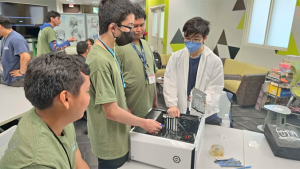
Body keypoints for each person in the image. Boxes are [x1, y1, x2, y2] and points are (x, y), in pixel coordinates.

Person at [86, 0, 162, 168]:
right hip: (110, 142)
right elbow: (111, 111)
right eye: (129, 26)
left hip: (121, 134)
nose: (133, 31)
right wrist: (143, 123)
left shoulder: (109, 51)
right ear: (113, 28)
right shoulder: (99, 60)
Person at [0, 51, 90, 169]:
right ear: (66, 98)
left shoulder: (57, 118)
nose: (89, 97)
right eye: (87, 91)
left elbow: (78, 162)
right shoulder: (39, 163)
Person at [163, 17, 224, 125]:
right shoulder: (176, 57)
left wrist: (205, 99)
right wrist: (171, 104)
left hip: (206, 113)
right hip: (182, 108)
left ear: (204, 38)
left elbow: (215, 87)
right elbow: (169, 81)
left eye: (196, 39)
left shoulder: (214, 61)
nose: (191, 42)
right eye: (187, 38)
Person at [116, 4, 158, 118]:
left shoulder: (146, 45)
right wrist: (126, 110)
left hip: (148, 109)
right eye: (135, 26)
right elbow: (116, 86)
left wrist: (155, 102)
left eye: (142, 25)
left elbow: (152, 75)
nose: (139, 29)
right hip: (130, 112)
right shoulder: (119, 47)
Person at [0, 15, 31, 87]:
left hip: (16, 80)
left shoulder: (16, 38)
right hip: (7, 78)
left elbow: (26, 57)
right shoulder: (4, 39)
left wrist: (21, 72)